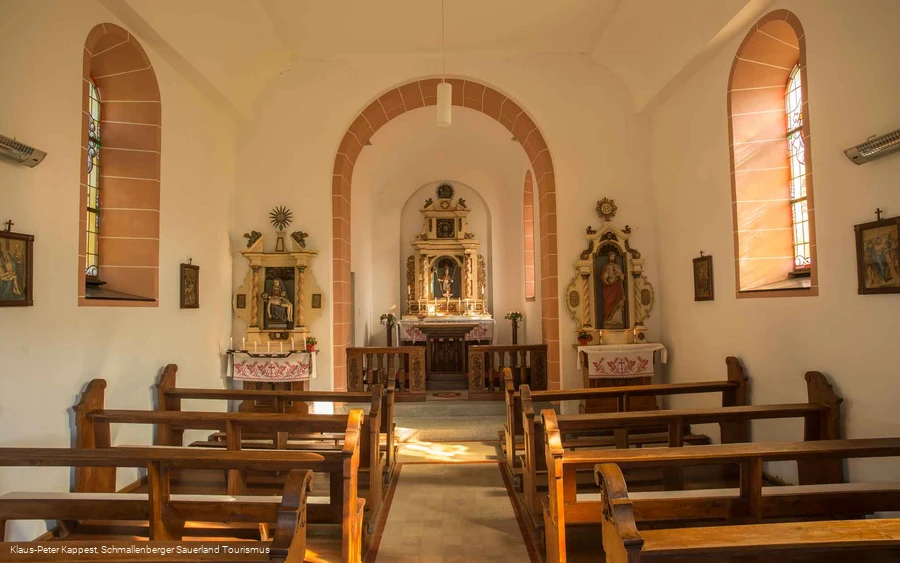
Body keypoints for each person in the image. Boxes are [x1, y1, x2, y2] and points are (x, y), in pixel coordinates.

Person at [600, 252, 626, 328]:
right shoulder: (606, 266)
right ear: (609, 257)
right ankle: (608, 319)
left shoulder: (617, 266)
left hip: (617, 286)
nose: (613, 258)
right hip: (609, 287)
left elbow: (623, 277)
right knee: (608, 302)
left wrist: (620, 275)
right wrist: (606, 276)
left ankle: (617, 320)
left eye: (614, 257)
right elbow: (602, 277)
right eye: (611, 256)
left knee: (618, 302)